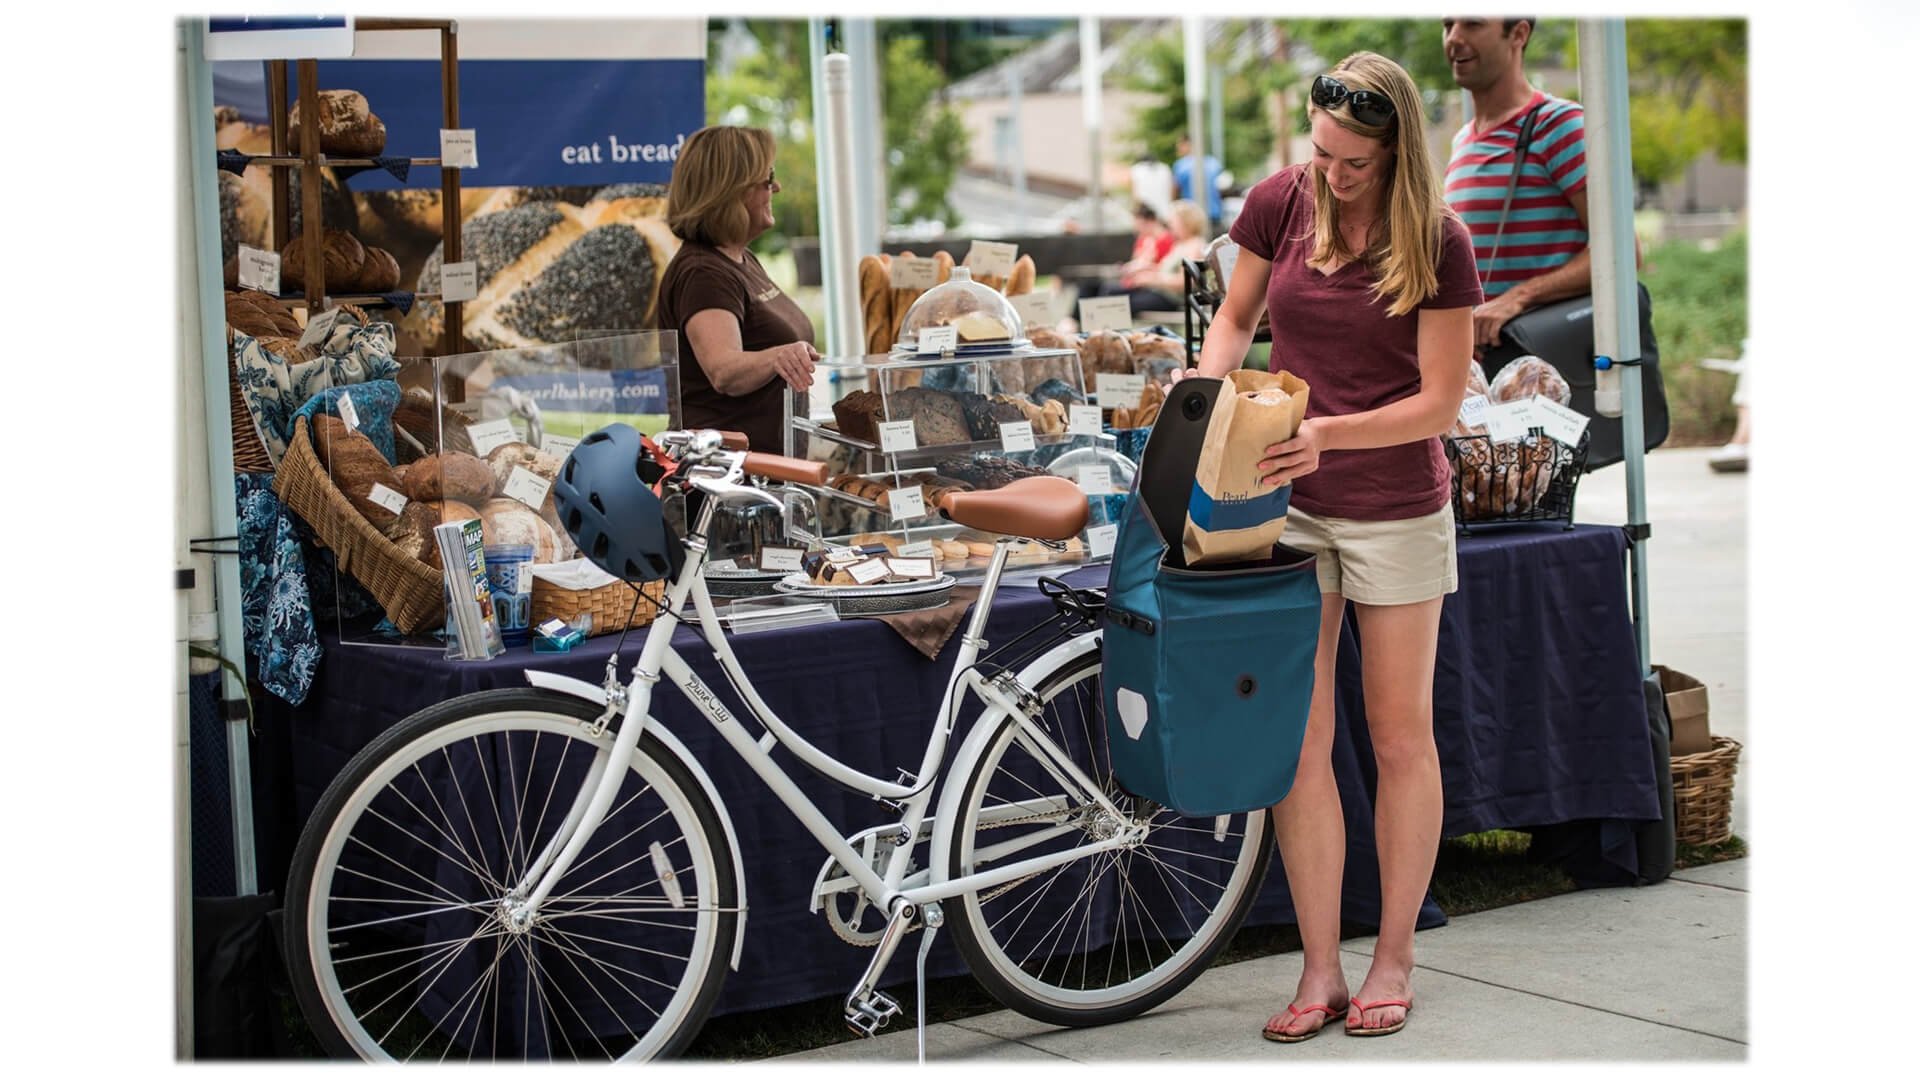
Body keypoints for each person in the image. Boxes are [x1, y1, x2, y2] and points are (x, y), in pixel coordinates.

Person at [1175, 52, 1481, 1042]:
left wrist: (1330, 433)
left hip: (1394, 504)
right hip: (1286, 504)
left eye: (1353, 163)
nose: (1332, 176)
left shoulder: (1439, 239)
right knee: (1300, 741)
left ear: (1395, 154)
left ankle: (1394, 955)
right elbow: (1234, 317)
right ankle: (1320, 968)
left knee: (1397, 738)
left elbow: (1438, 402)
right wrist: (1206, 397)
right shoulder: (1279, 201)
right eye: (1322, 155)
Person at [1441, 15, 1635, 352]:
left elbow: (1623, 251)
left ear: (1518, 33)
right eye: (1447, 25)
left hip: (1548, 363)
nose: (1453, 38)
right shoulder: (1463, 140)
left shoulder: (1561, 125)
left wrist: (1518, 298)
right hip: (1492, 369)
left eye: (1472, 24)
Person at [655, 125, 818, 454]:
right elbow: (724, 371)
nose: (777, 187)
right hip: (727, 484)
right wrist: (779, 356)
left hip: (763, 476)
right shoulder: (703, 273)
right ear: (731, 190)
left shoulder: (739, 260)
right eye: (767, 179)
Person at [1098, 199, 1209, 313]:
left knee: (1119, 305)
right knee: (1111, 294)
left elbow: (1185, 282)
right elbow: (1163, 270)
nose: (1170, 225)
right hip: (1160, 293)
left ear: (1186, 222)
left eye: (1174, 221)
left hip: (1172, 299)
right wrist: (1145, 271)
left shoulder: (1195, 246)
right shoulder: (1180, 245)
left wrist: (1152, 280)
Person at [1172, 135, 1224, 230]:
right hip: (1215, 213)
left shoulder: (1181, 165)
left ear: (1188, 145)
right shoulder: (1214, 162)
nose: (1178, 150)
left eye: (1180, 146)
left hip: (1192, 217)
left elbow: (1175, 190)